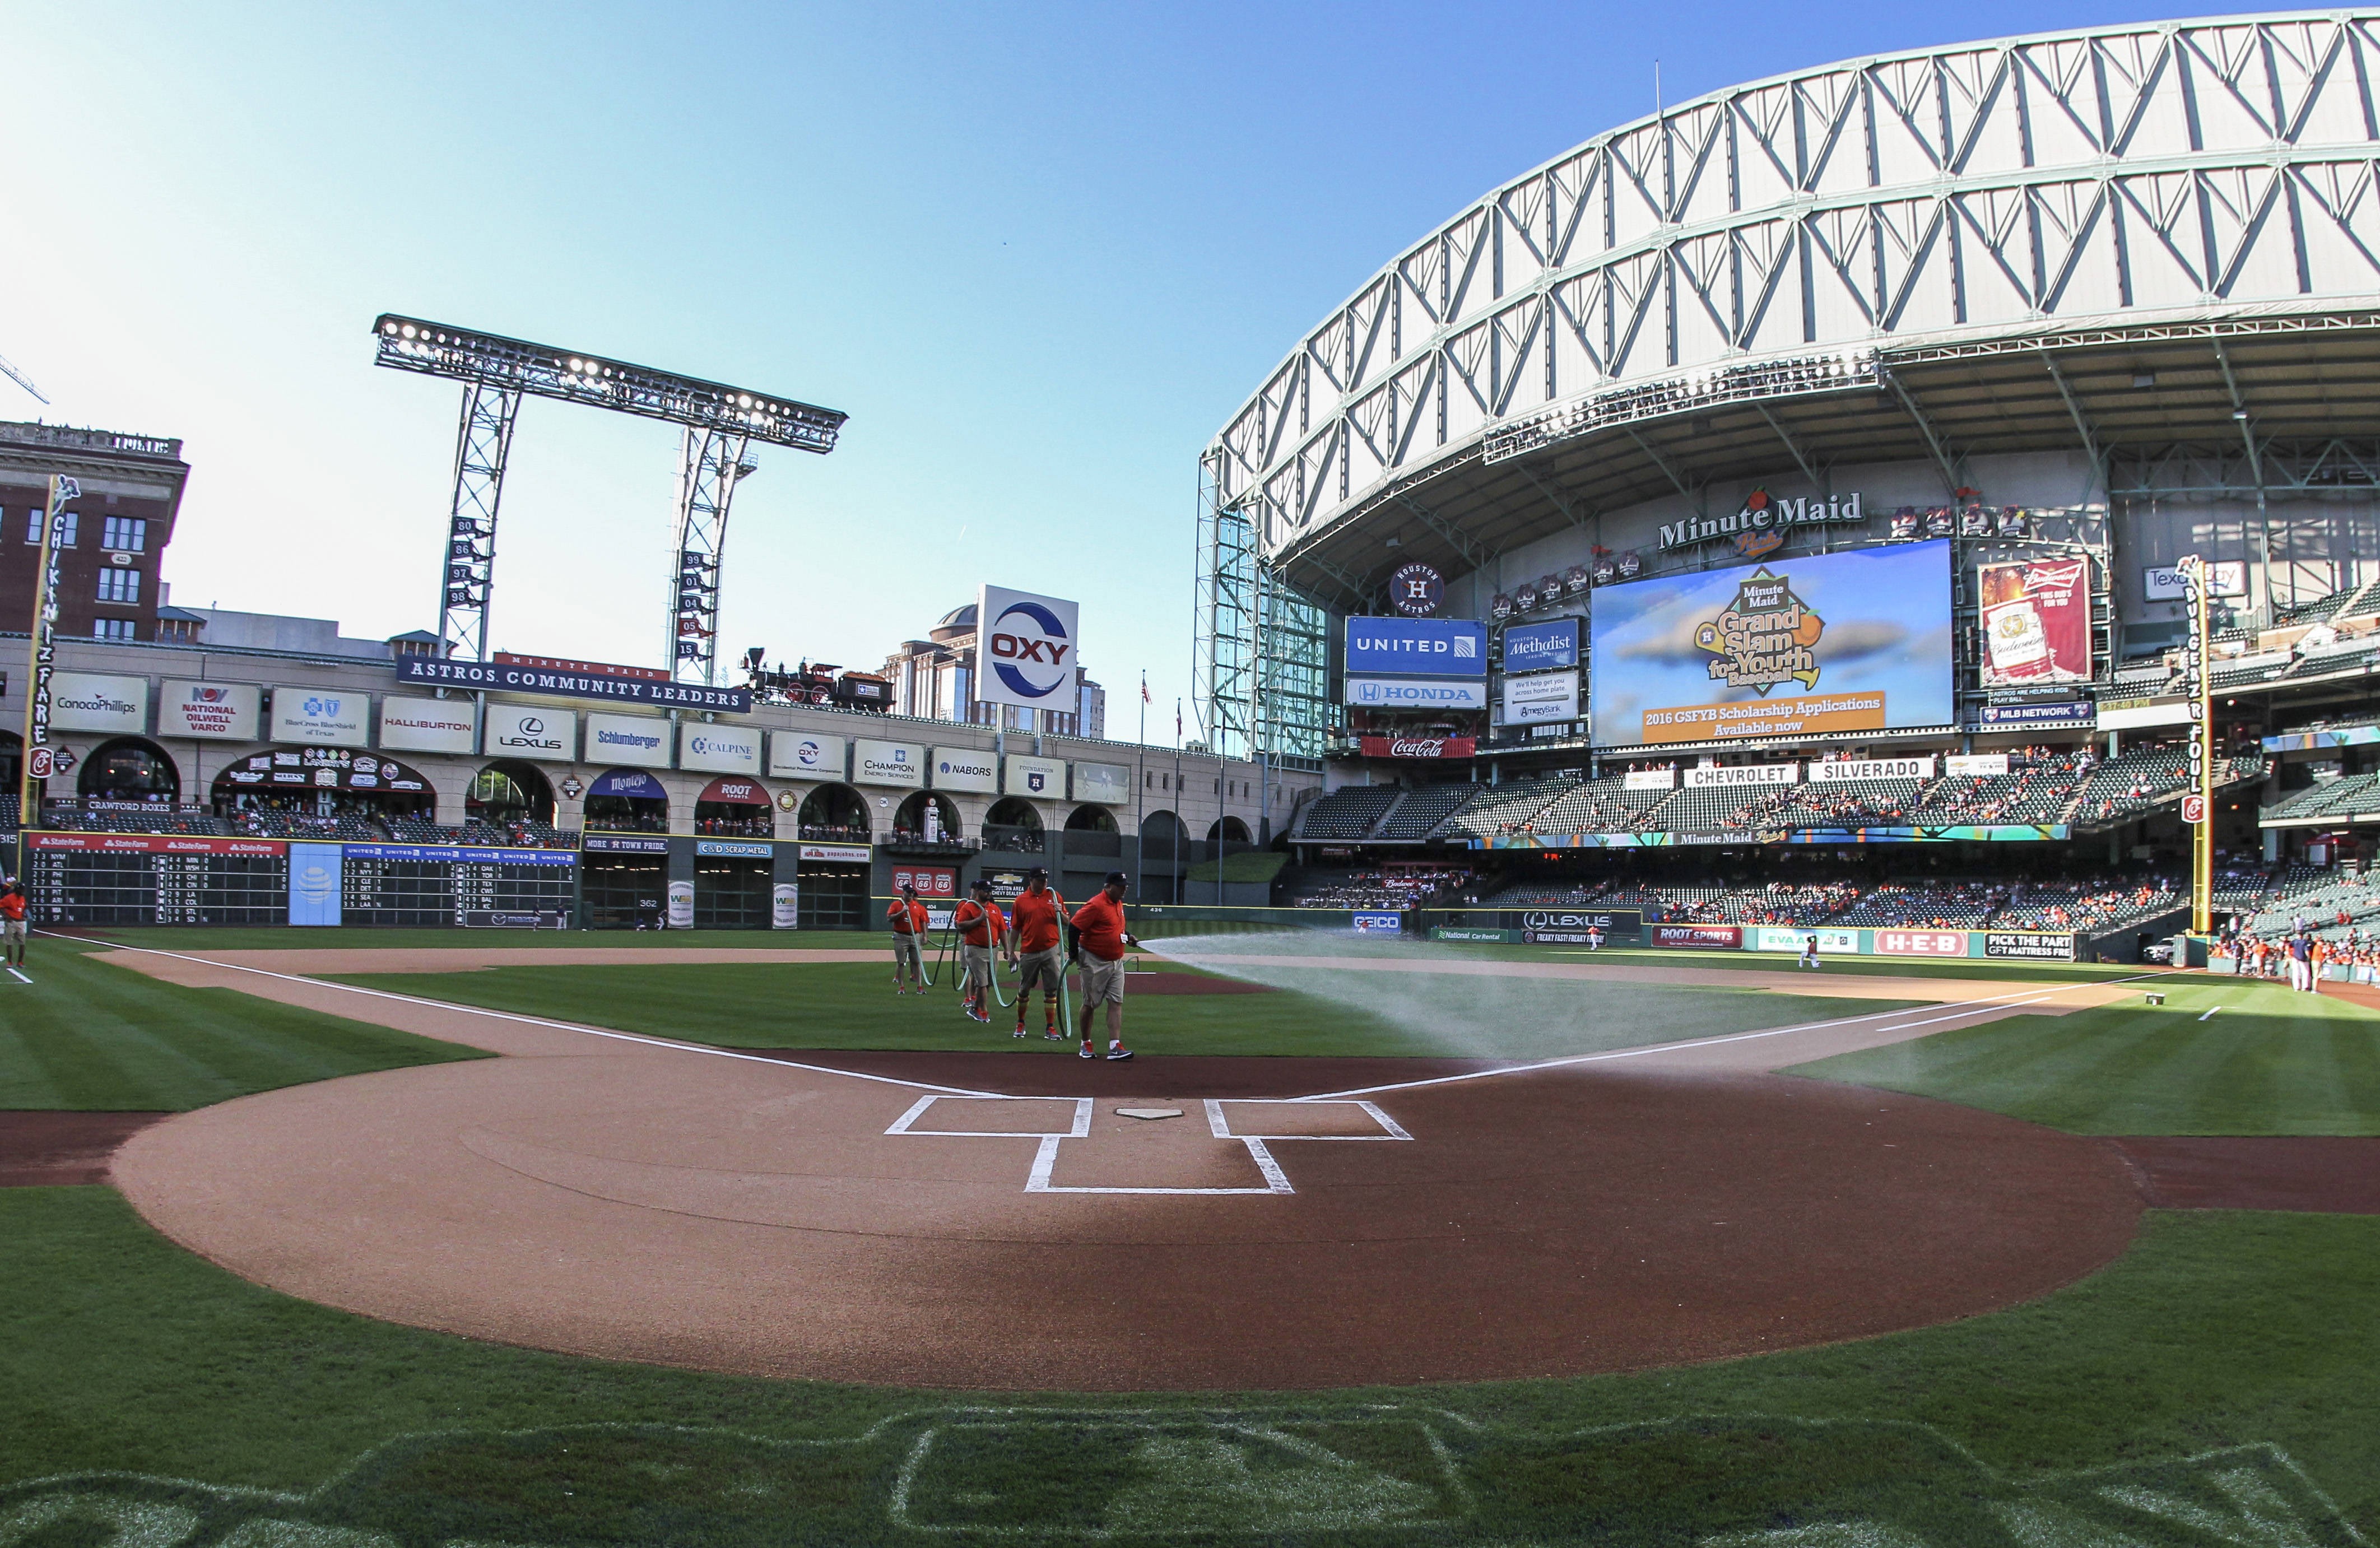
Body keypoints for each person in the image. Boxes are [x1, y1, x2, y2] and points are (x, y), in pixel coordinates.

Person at [1066, 871, 1138, 1061]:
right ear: (1108, 887)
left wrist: (1127, 936)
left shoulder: (1118, 903)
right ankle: (1085, 1044)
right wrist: (1074, 954)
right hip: (1094, 960)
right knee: (1090, 1004)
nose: (1125, 889)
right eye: (1121, 886)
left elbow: (1114, 928)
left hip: (1116, 961)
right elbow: (1074, 927)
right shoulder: (1096, 904)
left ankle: (1115, 1046)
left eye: (1125, 885)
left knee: (1116, 1002)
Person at [1005, 867, 1069, 1040]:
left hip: (1051, 949)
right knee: (1024, 988)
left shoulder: (1055, 897)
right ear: (1031, 880)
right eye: (1040, 880)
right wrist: (1011, 952)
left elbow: (1067, 922)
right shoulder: (1021, 901)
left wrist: (1060, 912)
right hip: (1029, 950)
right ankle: (1020, 1023)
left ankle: (1050, 1027)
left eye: (1045, 879)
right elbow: (1016, 928)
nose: (1044, 882)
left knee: (1052, 990)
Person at [951, 879, 1005, 1024]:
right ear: (979, 891)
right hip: (975, 949)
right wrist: (979, 920)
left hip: (992, 949)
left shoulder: (995, 909)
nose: (989, 893)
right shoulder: (969, 907)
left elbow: (1002, 930)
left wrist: (1007, 950)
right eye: (986, 890)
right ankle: (984, 1011)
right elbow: (961, 926)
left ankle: (975, 1008)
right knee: (982, 982)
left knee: (988, 983)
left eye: (990, 891)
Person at [886, 882, 931, 994]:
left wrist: (925, 936)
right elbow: (890, 918)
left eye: (912, 893)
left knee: (917, 962)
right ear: (903, 893)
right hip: (901, 936)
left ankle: (920, 986)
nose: (911, 895)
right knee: (901, 962)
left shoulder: (918, 906)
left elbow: (923, 921)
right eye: (908, 893)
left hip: (915, 936)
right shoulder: (896, 904)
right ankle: (901, 986)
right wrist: (902, 912)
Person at [0, 876, 26, 973]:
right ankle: (10, 962)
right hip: (11, 922)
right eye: (21, 889)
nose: (23, 891)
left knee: (22, 942)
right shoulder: (9, 898)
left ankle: (20, 962)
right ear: (17, 890)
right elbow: (1, 905)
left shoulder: (23, 898)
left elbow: (23, 908)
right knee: (9, 942)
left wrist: (24, 915)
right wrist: (6, 916)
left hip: (20, 922)